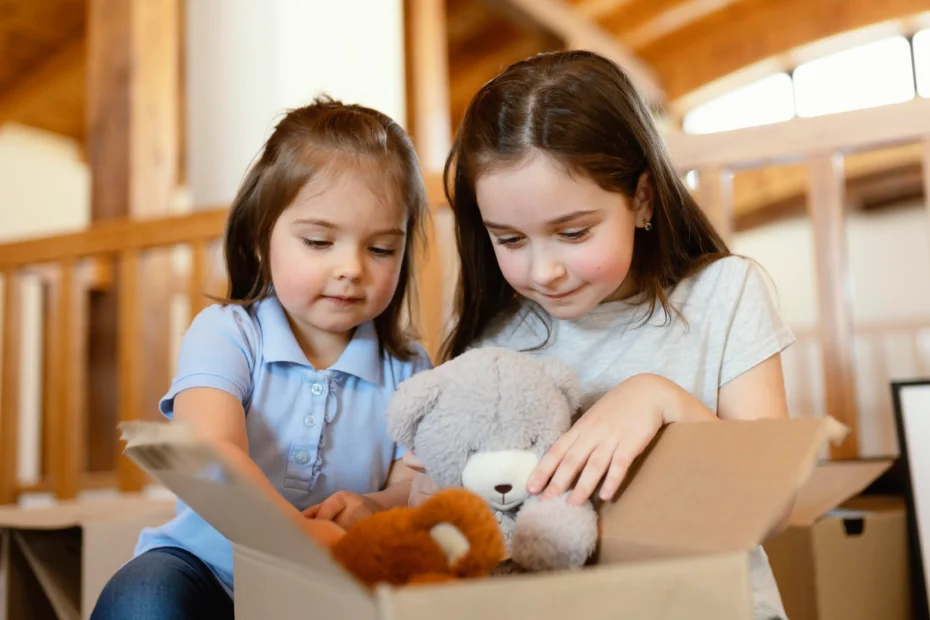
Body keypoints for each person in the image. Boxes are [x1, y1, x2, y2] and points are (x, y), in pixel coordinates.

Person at [409, 50, 795, 620]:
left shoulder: (724, 294)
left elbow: (774, 505)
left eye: (573, 232)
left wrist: (658, 397)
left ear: (641, 198)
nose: (543, 271)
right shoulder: (494, 342)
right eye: (510, 240)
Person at [92, 96, 432, 619]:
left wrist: (372, 508)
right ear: (259, 239)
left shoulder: (407, 365)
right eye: (319, 242)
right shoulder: (228, 333)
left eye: (381, 249)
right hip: (206, 568)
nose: (351, 268)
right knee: (142, 597)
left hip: (332, 584)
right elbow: (211, 452)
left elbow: (414, 486)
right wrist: (296, 532)